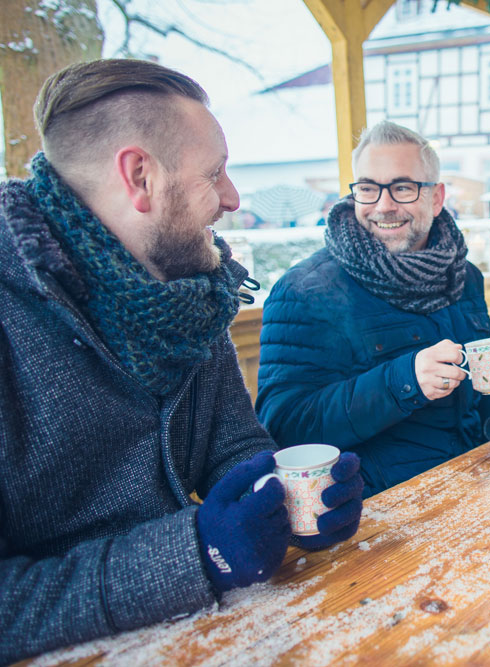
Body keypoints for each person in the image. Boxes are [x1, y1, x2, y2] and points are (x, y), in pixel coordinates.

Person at [0, 60, 363, 664]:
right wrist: (193, 555)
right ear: (139, 175)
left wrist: (288, 497)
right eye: (215, 174)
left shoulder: (189, 287)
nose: (233, 198)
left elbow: (231, 445)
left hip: (215, 634)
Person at [256, 121, 490, 497]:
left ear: (436, 197)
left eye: (403, 187)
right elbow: (285, 425)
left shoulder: (464, 274)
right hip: (383, 511)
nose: (383, 205)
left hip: (479, 480)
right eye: (368, 188)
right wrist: (402, 379)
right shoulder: (306, 289)